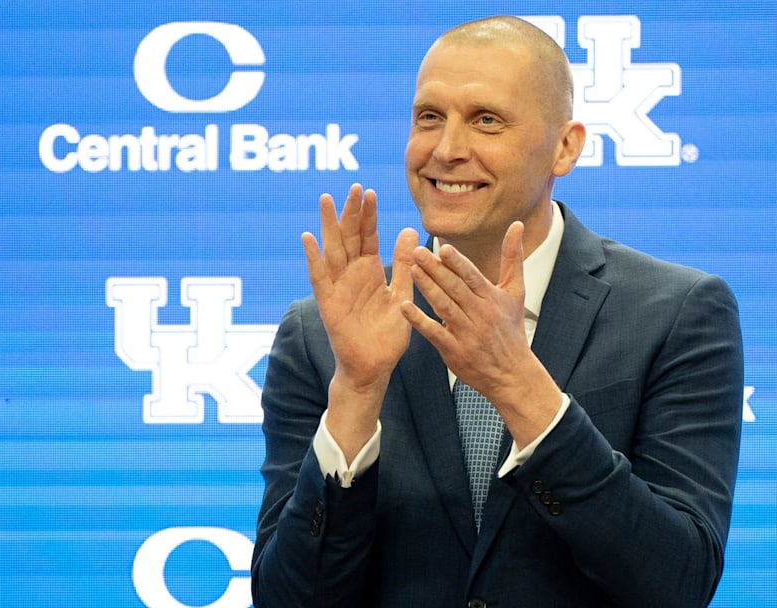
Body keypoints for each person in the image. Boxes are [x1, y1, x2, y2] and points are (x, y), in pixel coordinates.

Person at [252, 15, 743, 608]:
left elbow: (678, 581)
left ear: (565, 147)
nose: (447, 150)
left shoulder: (676, 314)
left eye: (486, 120)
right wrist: (357, 390)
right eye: (429, 117)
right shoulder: (321, 334)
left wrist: (518, 385)